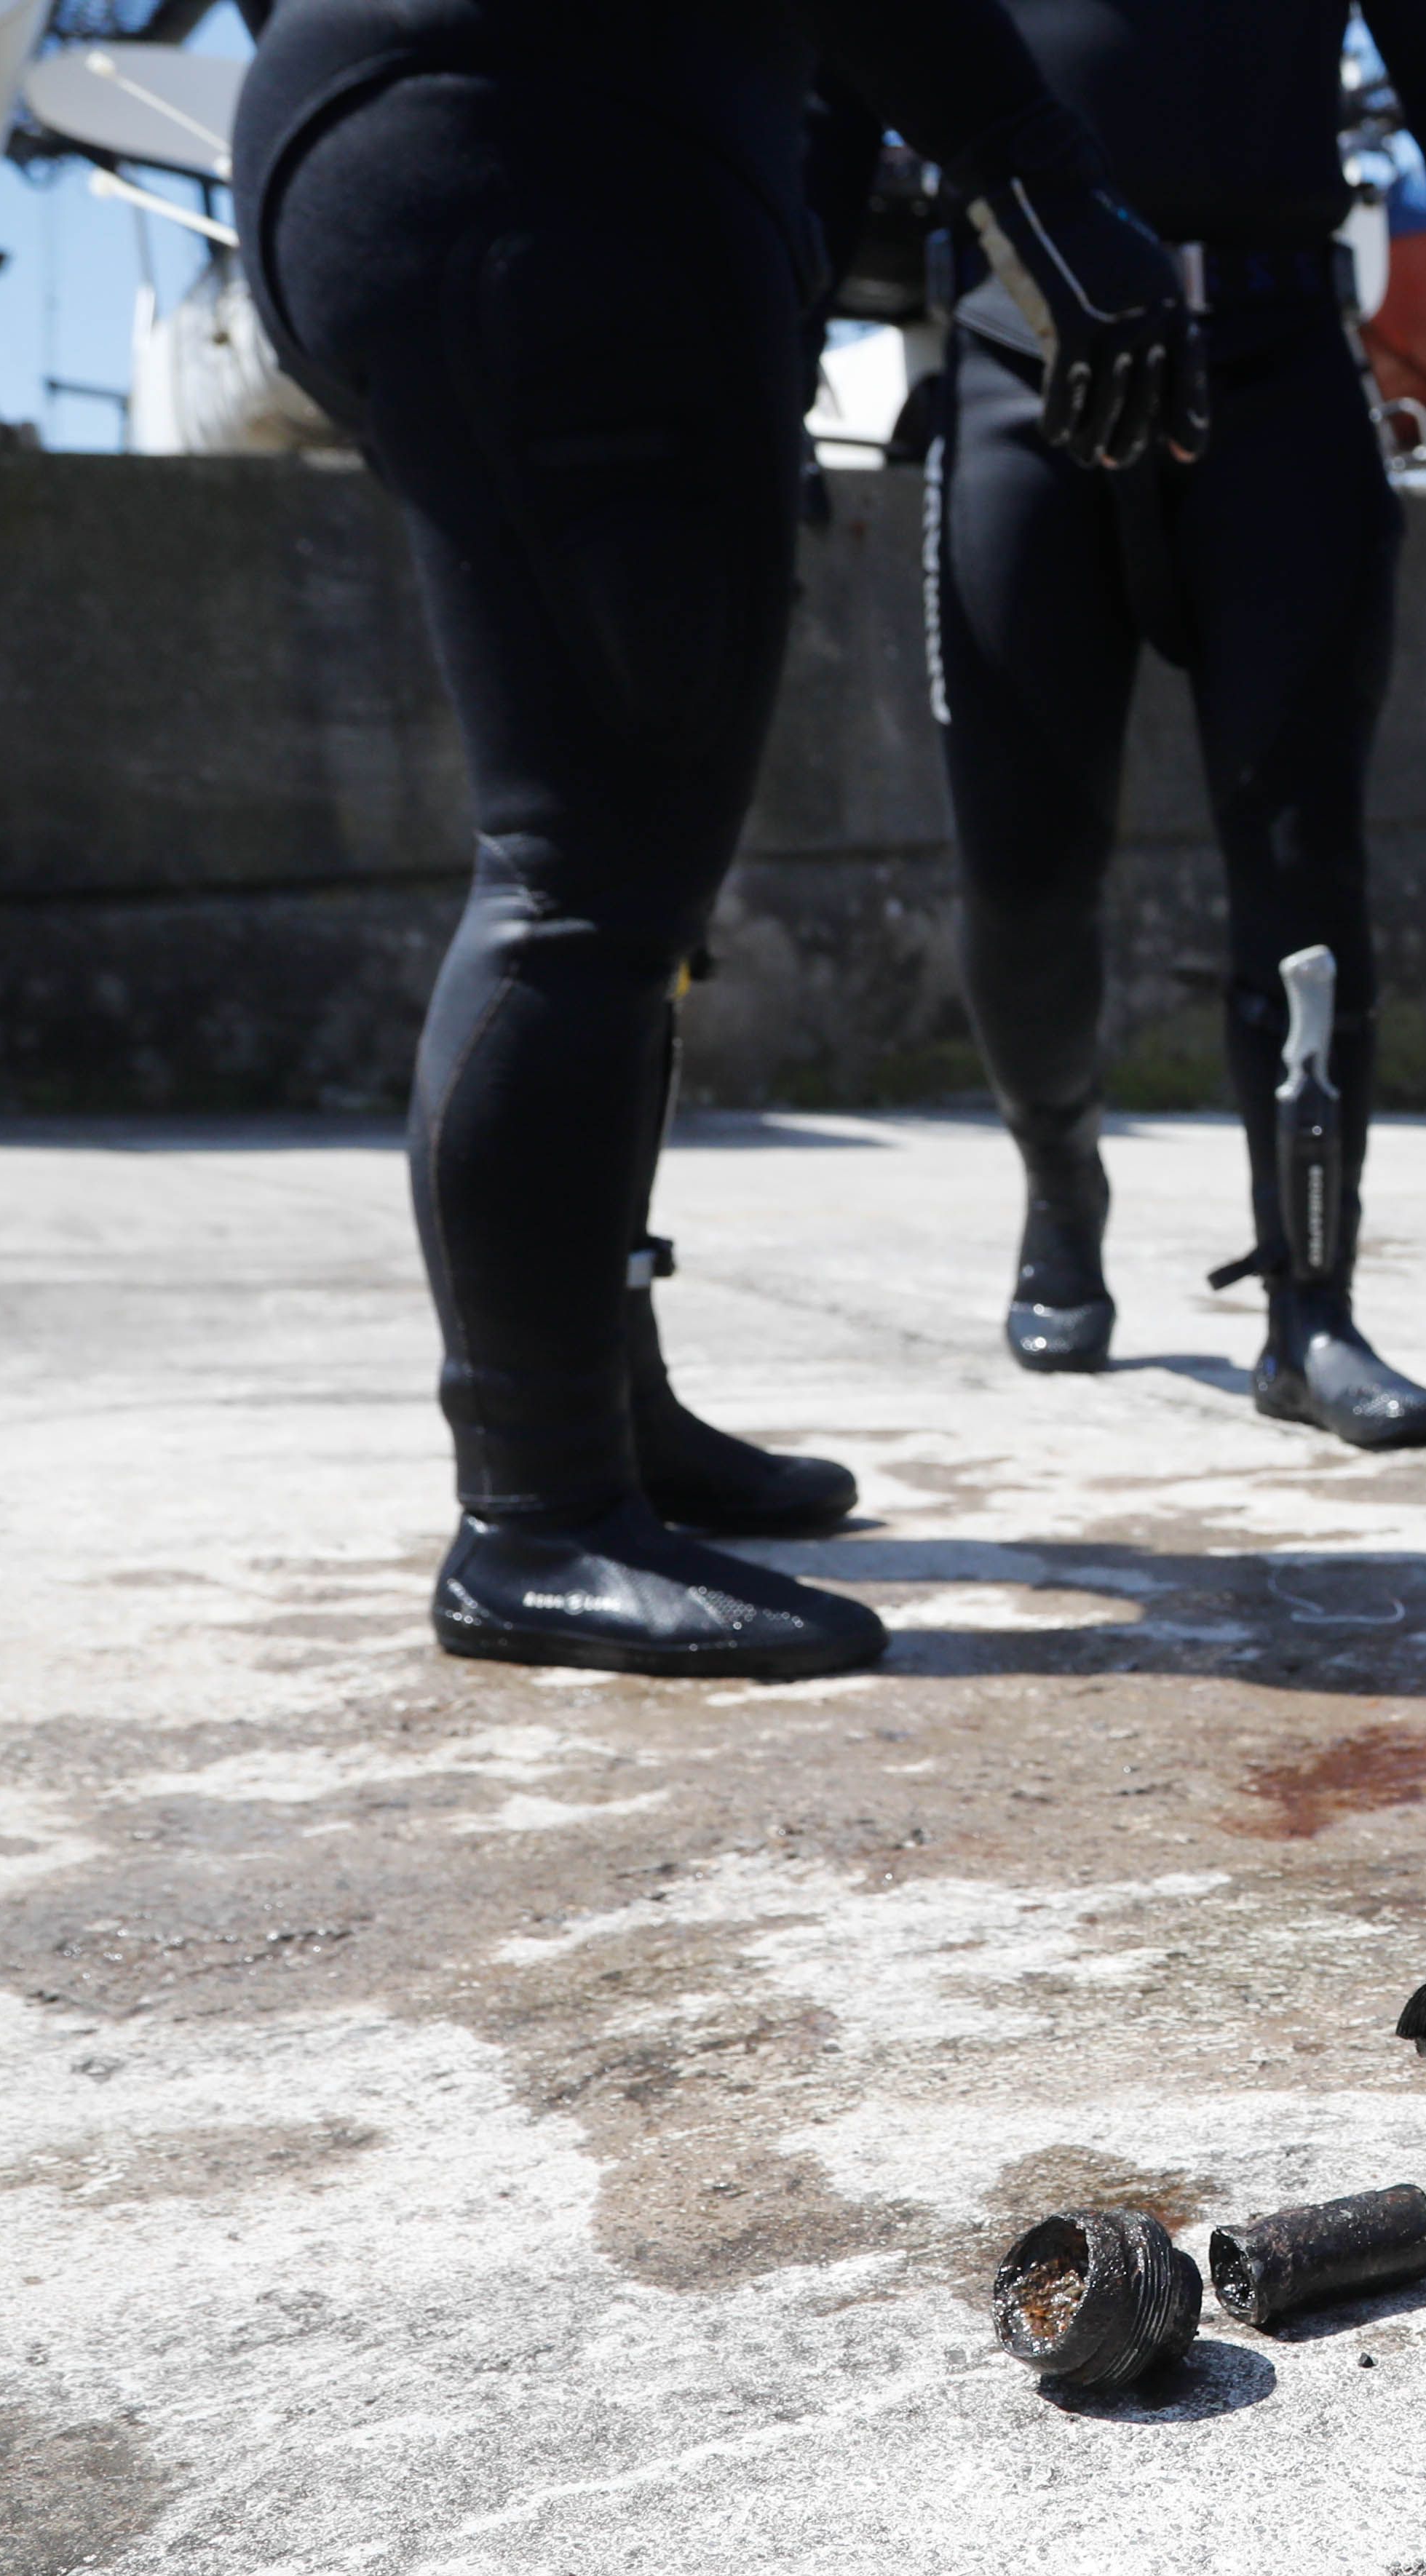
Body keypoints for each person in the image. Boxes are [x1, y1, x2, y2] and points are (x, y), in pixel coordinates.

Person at [237, 0, 1198, 1676]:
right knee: (579, 877)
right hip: (546, 173)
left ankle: (605, 1415)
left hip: (499, 150)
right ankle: (536, 1518)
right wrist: (1034, 177)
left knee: (637, 858)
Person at [937, 0, 1426, 1448]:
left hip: (1276, 365)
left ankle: (1313, 1309)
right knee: (1021, 869)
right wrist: (782, 342)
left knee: (1305, 860)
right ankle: (1061, 1183)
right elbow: (846, 62)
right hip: (1025, 356)